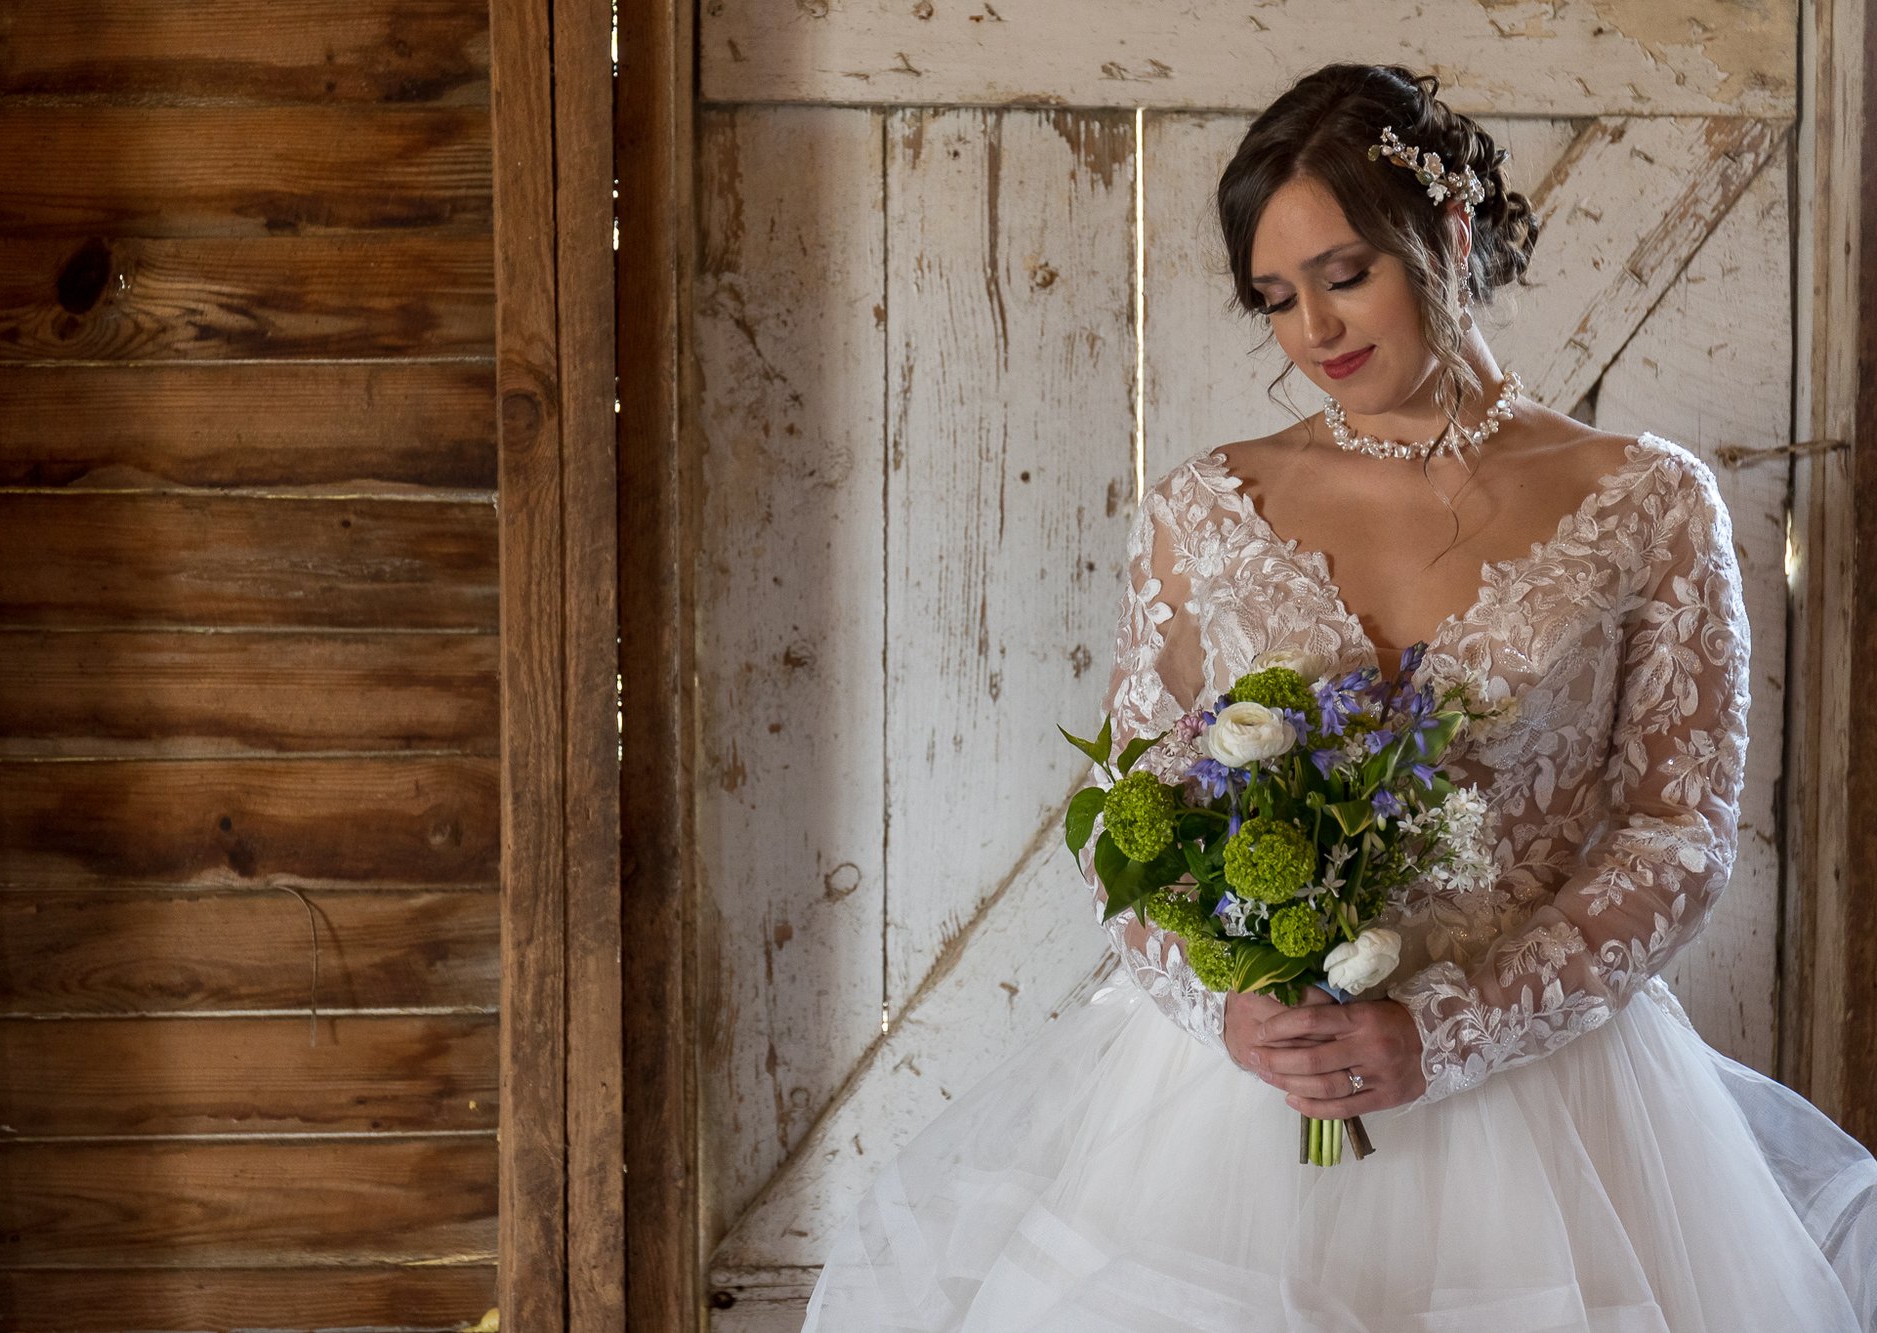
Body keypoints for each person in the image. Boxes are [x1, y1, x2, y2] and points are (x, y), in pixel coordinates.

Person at [800, 63, 1877, 1330]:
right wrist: (1227, 1006)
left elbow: (1674, 830)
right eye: (1274, 298)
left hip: (1540, 1105)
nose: (1314, 329)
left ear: (1448, 234)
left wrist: (1454, 1029)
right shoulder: (1207, 507)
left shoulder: (1645, 499)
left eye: (1344, 272)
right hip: (1238, 1106)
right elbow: (1128, 811)